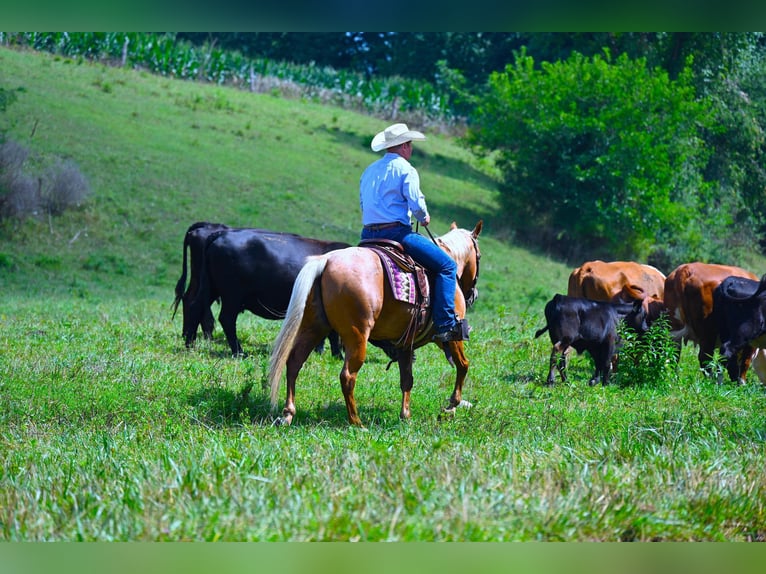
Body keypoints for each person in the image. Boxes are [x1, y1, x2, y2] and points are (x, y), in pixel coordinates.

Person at [359, 122, 465, 342]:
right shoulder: (406, 169)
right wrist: (423, 217)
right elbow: (416, 205)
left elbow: (363, 202)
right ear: (405, 146)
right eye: (410, 145)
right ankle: (446, 324)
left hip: (367, 236)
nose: (411, 149)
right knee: (447, 266)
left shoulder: (369, 171)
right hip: (397, 234)